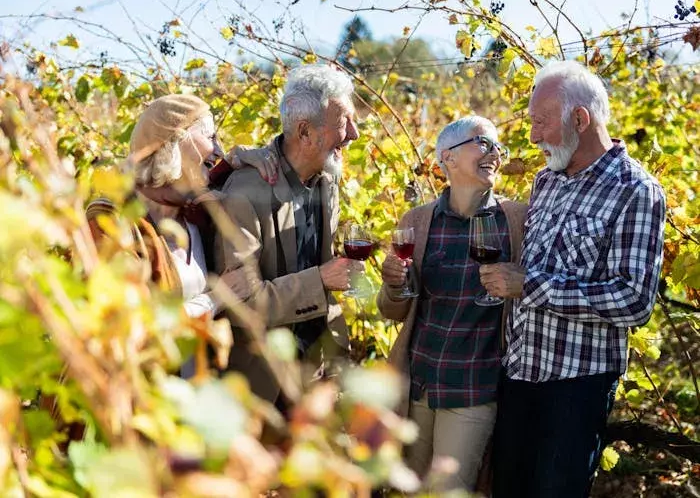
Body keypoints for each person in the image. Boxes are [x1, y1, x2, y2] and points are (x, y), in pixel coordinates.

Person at [480, 61, 666, 498]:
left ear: (580, 120)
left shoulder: (635, 190)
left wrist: (530, 286)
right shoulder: (546, 181)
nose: (532, 136)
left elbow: (634, 300)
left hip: (575, 389)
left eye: (540, 123)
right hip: (520, 377)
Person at [377, 116, 528, 492]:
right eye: (484, 143)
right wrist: (395, 284)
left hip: (474, 387)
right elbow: (393, 309)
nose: (495, 153)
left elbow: (532, 291)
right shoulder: (418, 220)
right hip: (418, 383)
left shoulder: (517, 220)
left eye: (498, 147)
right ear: (448, 157)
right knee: (405, 487)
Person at [86, 94, 272, 374]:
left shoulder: (194, 214)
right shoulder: (110, 221)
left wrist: (246, 157)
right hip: (137, 401)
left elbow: (222, 167)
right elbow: (132, 325)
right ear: (174, 141)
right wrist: (216, 298)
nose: (218, 149)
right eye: (210, 136)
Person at [215, 64, 362, 407]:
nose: (354, 133)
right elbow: (241, 303)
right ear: (305, 132)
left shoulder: (326, 182)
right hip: (264, 386)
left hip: (317, 373)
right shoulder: (245, 193)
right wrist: (321, 279)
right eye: (343, 123)